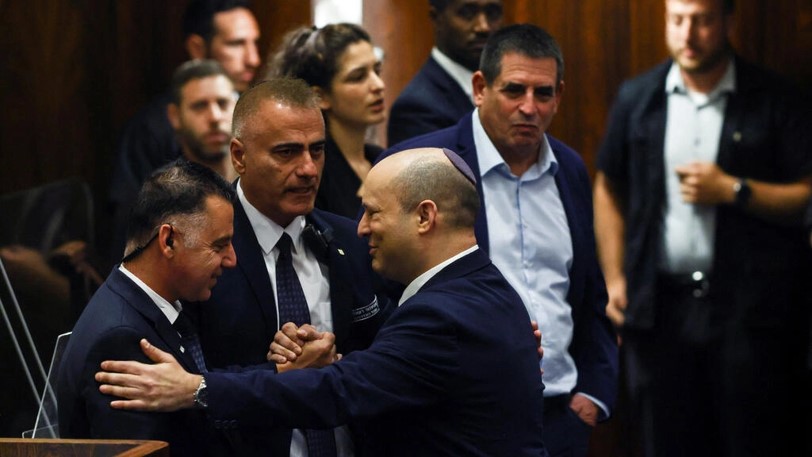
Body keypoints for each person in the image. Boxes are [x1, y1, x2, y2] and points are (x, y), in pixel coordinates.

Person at [96, 147, 549, 457]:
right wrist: (330, 361)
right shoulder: (487, 288)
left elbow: (339, 392)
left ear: (425, 216)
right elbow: (389, 376)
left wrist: (196, 389)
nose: (361, 228)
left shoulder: (441, 315)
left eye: (373, 212)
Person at [381, 24, 618, 457]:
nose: (529, 107)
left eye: (543, 94)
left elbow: (589, 296)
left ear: (559, 95)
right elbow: (384, 292)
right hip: (463, 425)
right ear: (480, 88)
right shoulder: (424, 166)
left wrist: (594, 394)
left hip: (563, 419)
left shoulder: (570, 169)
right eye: (514, 90)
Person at [592, 1, 812, 456]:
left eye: (702, 20)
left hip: (748, 315)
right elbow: (609, 185)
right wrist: (613, 277)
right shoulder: (639, 96)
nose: (688, 34)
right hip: (660, 312)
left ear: (728, 21)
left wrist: (733, 189)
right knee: (665, 441)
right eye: (677, 20)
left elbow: (806, 196)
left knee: (750, 441)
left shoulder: (774, 97)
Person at [183, 77, 392, 456]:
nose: (309, 169)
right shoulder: (200, 253)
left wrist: (338, 366)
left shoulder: (352, 241)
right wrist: (283, 374)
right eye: (287, 152)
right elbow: (185, 385)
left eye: (317, 150)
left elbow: (389, 357)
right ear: (239, 156)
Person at [57, 159, 240, 455]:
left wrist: (280, 370)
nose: (232, 260)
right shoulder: (120, 340)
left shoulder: (141, 305)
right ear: (168, 241)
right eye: (219, 246)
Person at [107, 0, 260, 266]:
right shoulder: (151, 131)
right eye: (236, 44)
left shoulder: (256, 123)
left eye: (224, 104)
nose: (253, 59)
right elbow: (129, 238)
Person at [266, 23, 386, 219]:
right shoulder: (310, 171)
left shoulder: (381, 158)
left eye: (377, 71)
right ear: (320, 97)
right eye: (358, 77)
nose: (378, 85)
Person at [386, 0, 503, 147]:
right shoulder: (416, 109)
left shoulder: (512, 94)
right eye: (467, 13)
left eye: (492, 13)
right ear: (437, 17)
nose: (483, 27)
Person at [168, 59, 238, 183]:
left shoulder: (262, 179)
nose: (215, 117)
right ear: (175, 116)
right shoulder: (165, 191)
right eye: (200, 106)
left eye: (223, 103)